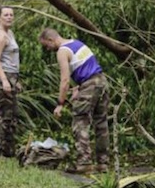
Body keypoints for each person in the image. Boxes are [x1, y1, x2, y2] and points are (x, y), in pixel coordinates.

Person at [39, 28, 110, 174]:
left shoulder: (62, 51)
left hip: (90, 85)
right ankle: (103, 163)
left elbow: (64, 80)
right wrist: (78, 87)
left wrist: (60, 103)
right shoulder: (77, 43)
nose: (47, 49)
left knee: (80, 121)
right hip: (101, 81)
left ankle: (84, 163)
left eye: (47, 45)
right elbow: (85, 66)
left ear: (51, 39)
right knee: (101, 123)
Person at [0, 6, 21, 158]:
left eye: (11, 15)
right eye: (6, 15)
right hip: (2, 74)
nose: (9, 17)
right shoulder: (0, 35)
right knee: (0, 112)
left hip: (12, 74)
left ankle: (7, 149)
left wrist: (16, 80)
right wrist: (5, 80)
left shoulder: (10, 33)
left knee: (10, 113)